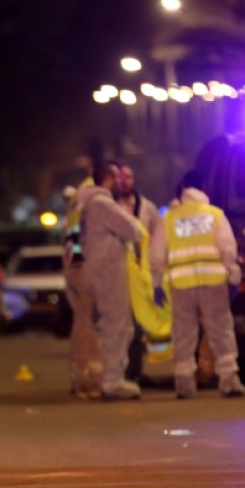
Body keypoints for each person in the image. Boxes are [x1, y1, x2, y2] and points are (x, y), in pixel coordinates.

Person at [150, 170, 245, 398]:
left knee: (183, 333)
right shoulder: (214, 214)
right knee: (221, 332)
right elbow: (228, 249)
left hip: (181, 284)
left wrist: (156, 283)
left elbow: (156, 256)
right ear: (203, 188)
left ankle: (184, 383)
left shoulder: (170, 218)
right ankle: (229, 380)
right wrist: (233, 277)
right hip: (213, 281)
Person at [78, 160, 142, 400]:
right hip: (108, 270)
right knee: (117, 324)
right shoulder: (102, 203)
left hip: (97, 267)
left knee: (112, 324)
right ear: (107, 178)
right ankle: (112, 380)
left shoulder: (87, 203)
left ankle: (112, 377)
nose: (121, 181)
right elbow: (132, 230)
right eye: (116, 176)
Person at [117, 164, 162, 384]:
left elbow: (158, 237)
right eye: (121, 177)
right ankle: (121, 371)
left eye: (129, 176)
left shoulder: (147, 208)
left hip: (142, 273)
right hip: (118, 272)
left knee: (139, 323)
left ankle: (135, 369)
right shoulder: (110, 206)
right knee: (121, 324)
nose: (125, 181)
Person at [62, 173, 102, 398]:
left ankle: (80, 377)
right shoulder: (91, 202)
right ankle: (91, 379)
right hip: (85, 267)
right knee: (89, 326)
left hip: (75, 267)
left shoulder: (75, 204)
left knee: (81, 324)